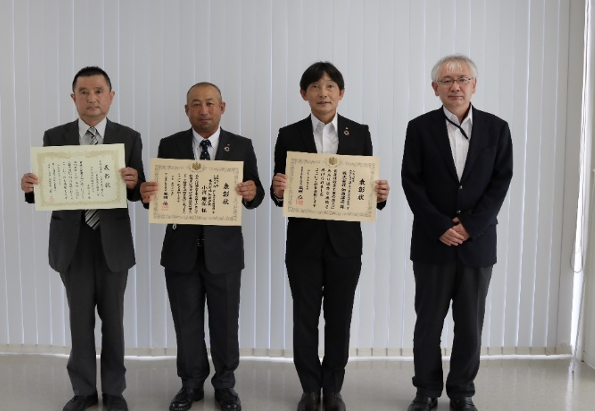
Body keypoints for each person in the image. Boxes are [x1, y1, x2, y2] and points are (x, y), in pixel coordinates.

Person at [20, 66, 144, 411]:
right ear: (73, 97)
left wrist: (135, 182)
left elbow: (138, 192)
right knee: (79, 321)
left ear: (111, 96)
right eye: (84, 92)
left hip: (112, 242)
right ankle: (84, 390)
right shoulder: (54, 136)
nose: (92, 98)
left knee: (114, 323)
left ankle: (114, 391)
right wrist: (30, 188)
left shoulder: (129, 137)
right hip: (72, 242)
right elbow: (48, 188)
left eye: (99, 91)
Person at [270, 62, 390, 411]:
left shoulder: (359, 133)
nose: (323, 93)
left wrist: (379, 196)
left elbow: (366, 188)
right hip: (303, 243)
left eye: (330, 86)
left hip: (345, 244)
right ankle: (309, 389)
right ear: (303, 93)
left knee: (340, 318)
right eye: (315, 87)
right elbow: (280, 190)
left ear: (341, 92)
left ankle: (333, 388)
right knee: (305, 318)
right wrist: (279, 189)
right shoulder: (288, 135)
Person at [139, 82, 263, 411]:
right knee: (187, 323)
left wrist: (252, 192)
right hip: (181, 252)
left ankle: (225, 384)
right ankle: (191, 384)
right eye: (196, 104)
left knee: (225, 323)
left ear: (222, 107)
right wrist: (147, 195)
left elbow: (257, 192)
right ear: (186, 110)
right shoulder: (170, 145)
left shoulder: (241, 145)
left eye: (210, 103)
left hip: (224, 253)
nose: (203, 110)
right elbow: (159, 195)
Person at [401, 55, 513, 411]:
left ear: (474, 85)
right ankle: (426, 391)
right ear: (435, 88)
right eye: (447, 81)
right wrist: (440, 227)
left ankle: (462, 392)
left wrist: (470, 226)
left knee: (470, 325)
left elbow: (500, 182)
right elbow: (411, 182)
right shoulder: (419, 128)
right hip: (432, 243)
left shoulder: (497, 129)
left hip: (477, 244)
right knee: (428, 324)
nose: (455, 86)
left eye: (462, 79)